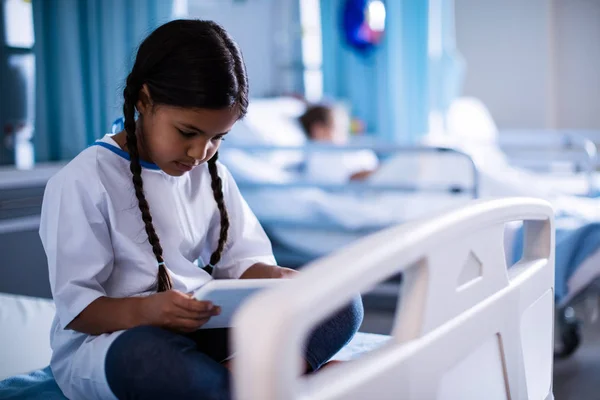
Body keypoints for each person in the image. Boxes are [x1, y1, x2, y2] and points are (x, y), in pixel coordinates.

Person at [39, 20, 363, 400]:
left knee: (343, 302)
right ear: (144, 100)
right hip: (118, 342)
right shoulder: (83, 179)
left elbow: (242, 264)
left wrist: (277, 279)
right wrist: (149, 313)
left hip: (202, 328)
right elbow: (80, 311)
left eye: (217, 138)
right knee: (147, 357)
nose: (200, 152)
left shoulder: (213, 175)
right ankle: (274, 383)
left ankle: (233, 388)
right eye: (188, 132)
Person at [298, 104, 379, 183]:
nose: (344, 134)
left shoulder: (344, 151)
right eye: (339, 128)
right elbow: (350, 178)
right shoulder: (319, 156)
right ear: (319, 130)